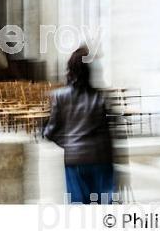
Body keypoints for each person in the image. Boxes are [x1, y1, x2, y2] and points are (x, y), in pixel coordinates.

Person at [43, 46, 115, 204]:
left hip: (75, 160)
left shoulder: (59, 97)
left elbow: (49, 132)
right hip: (102, 159)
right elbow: (110, 133)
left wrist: (71, 142)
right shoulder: (102, 98)